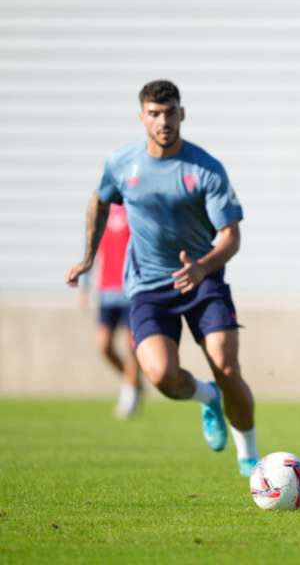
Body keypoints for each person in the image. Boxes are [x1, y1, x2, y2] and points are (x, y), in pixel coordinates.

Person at [66, 80, 260, 476]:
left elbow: (231, 236)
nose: (163, 121)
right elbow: (99, 200)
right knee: (161, 375)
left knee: (225, 364)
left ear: (182, 114)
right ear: (142, 118)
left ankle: (250, 457)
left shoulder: (206, 169)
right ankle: (207, 399)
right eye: (154, 113)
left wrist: (204, 267)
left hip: (203, 280)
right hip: (148, 287)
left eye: (170, 112)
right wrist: (88, 258)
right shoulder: (123, 164)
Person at [81, 203, 142, 419]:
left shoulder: (136, 207)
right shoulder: (102, 209)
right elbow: (91, 246)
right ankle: (133, 380)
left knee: (131, 344)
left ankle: (130, 393)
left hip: (131, 289)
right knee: (104, 345)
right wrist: (85, 284)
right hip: (107, 290)